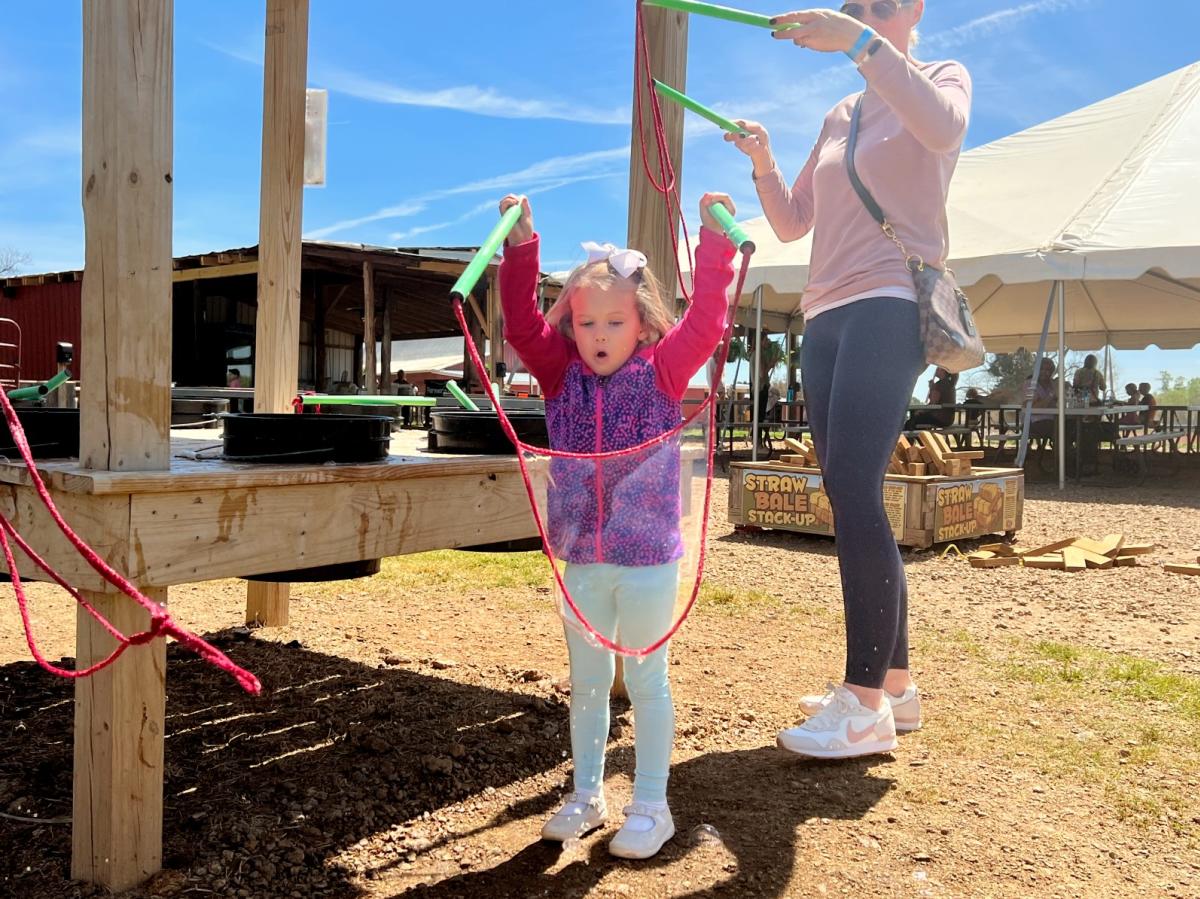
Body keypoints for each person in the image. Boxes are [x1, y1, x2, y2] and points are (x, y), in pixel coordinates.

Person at [726, 0, 970, 757]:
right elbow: (796, 220)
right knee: (845, 488)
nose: (868, 12)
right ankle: (894, 687)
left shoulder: (939, 77)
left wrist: (861, 43)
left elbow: (944, 129)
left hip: (890, 300)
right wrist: (764, 160)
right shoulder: (839, 113)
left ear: (913, 9)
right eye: (857, 6)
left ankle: (861, 703)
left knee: (857, 490)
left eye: (880, 6)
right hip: (825, 310)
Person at [497, 192, 735, 858]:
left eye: (613, 321)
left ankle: (652, 803)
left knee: (650, 678)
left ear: (641, 324)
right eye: (586, 322)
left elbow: (708, 320)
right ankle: (586, 794)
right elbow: (519, 320)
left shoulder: (661, 372)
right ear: (571, 326)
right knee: (588, 682)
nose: (598, 334)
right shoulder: (557, 374)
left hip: (649, 556)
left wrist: (715, 243)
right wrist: (523, 242)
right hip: (583, 556)